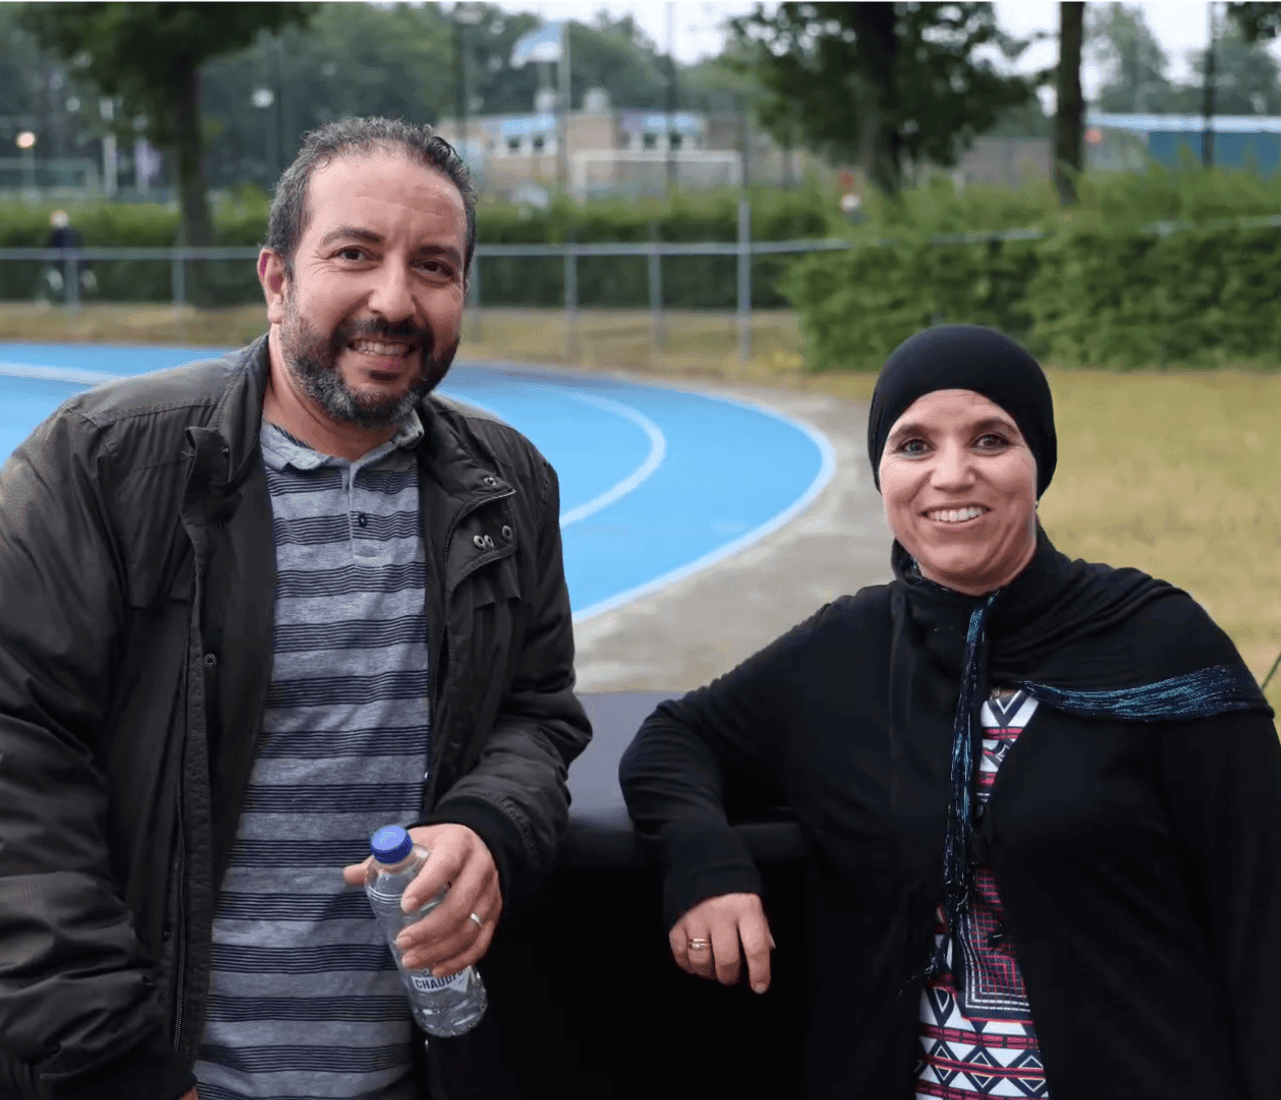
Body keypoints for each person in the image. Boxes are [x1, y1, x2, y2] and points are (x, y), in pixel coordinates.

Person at [0, 117, 591, 1100]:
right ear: (276, 277)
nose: (394, 300)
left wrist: (489, 822)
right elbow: (15, 764)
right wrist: (113, 1063)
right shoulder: (101, 463)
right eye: (354, 254)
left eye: (435, 266)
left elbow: (537, 711)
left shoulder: (508, 483)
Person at [619, 323, 1280, 1100]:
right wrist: (706, 867)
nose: (951, 474)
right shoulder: (846, 649)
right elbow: (672, 740)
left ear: (1038, 462)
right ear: (881, 474)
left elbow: (1260, 916)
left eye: (990, 440)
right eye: (914, 446)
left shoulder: (1159, 643)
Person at [39, 209, 96, 303]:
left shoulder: (60, 235)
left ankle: (66, 301)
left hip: (67, 266)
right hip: (73, 266)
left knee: (65, 284)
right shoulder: (73, 233)